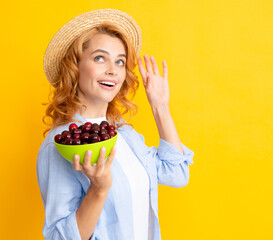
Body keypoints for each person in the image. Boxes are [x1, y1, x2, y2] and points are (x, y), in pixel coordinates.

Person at [36, 9, 195, 240]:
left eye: (119, 62)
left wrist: (160, 107)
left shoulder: (123, 132)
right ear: (75, 66)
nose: (112, 70)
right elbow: (60, 237)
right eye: (99, 58)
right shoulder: (62, 144)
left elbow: (177, 174)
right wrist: (98, 190)